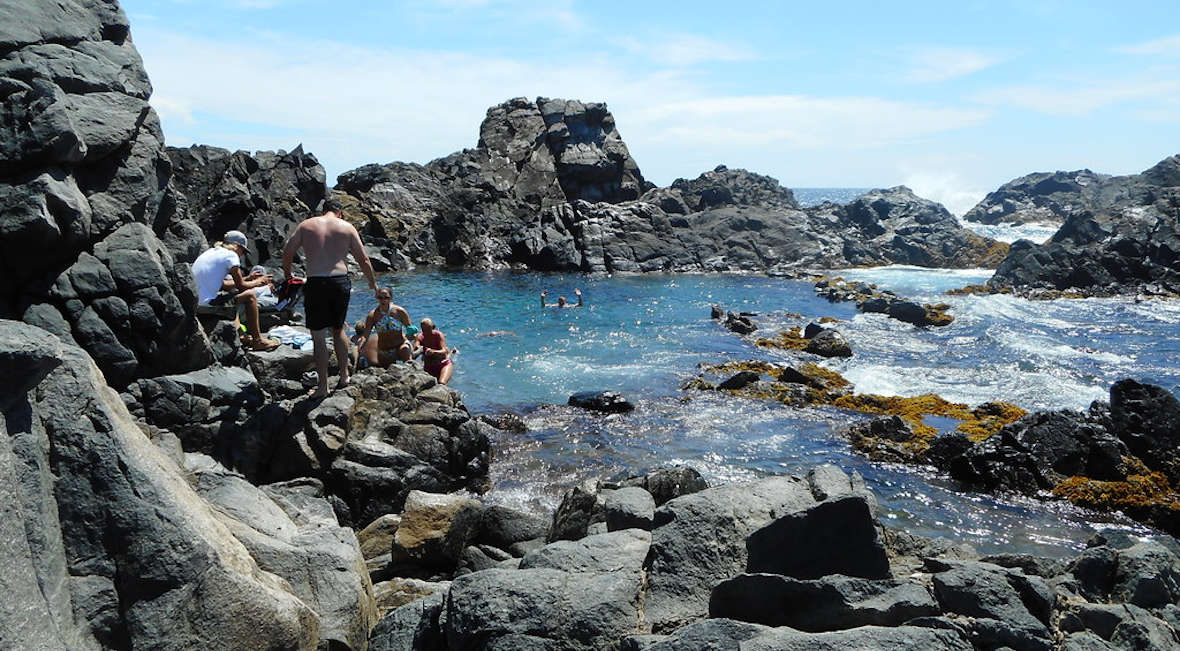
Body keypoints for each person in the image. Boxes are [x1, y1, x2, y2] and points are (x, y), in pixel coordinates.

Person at [282, 198, 377, 398]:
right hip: (339, 282)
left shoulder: (306, 225)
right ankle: (344, 376)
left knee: (317, 335)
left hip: (315, 282)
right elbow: (364, 259)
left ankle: (323, 386)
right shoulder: (346, 227)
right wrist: (372, 283)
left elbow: (287, 253)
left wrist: (288, 276)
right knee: (338, 328)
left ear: (322, 211)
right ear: (339, 212)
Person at [192, 230, 280, 351]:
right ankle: (258, 341)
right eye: (243, 251)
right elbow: (241, 286)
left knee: (231, 297)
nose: (242, 255)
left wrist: (248, 278)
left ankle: (241, 335)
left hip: (195, 303)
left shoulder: (211, 252)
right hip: (206, 305)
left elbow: (224, 285)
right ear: (237, 246)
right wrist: (258, 282)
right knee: (250, 296)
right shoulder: (231, 255)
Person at [358, 288, 412, 368]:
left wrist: (412, 334)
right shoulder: (372, 315)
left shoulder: (400, 312)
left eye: (386, 297)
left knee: (405, 350)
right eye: (380, 298)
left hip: (400, 345)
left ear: (391, 298)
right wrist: (360, 344)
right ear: (377, 298)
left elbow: (409, 328)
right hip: (384, 349)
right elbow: (366, 335)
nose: (383, 300)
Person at [414, 318, 454, 385]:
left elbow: (444, 351)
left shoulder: (438, 335)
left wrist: (433, 351)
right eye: (424, 330)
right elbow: (416, 348)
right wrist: (418, 348)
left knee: (441, 383)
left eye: (428, 330)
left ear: (432, 327)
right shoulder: (420, 337)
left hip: (443, 364)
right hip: (429, 367)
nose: (426, 332)